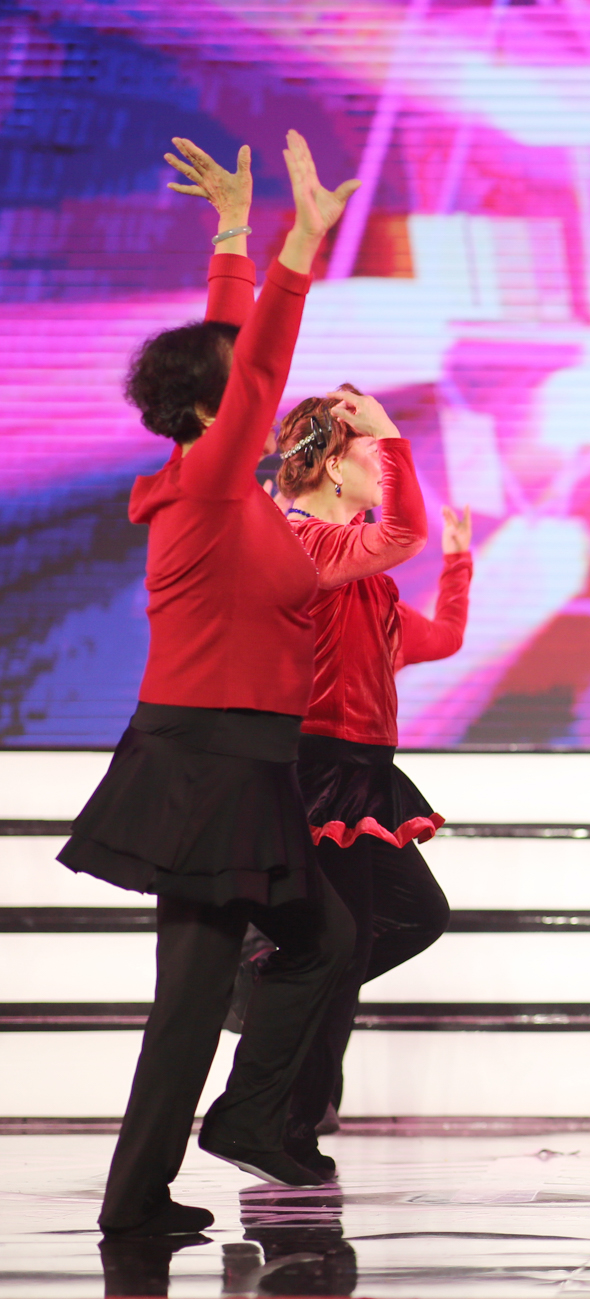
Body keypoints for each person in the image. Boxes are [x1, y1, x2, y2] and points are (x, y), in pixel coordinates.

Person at [55, 132, 362, 1237]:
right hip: (206, 763)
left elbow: (233, 354)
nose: (264, 403)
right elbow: (256, 363)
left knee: (322, 941)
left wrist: (233, 232)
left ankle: (236, 1124)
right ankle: (142, 1196)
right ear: (208, 412)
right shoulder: (210, 487)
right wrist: (298, 252)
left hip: (244, 760)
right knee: (195, 995)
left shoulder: (216, 480)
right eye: (240, 395)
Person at [277, 386, 472, 1175]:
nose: (380, 462)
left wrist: (457, 564)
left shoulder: (365, 579)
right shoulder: (304, 544)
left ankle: (291, 1067)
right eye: (365, 450)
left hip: (363, 773)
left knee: (410, 916)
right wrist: (391, 433)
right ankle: (291, 1113)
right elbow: (400, 531)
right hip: (316, 771)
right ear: (331, 466)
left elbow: (442, 637)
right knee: (342, 943)